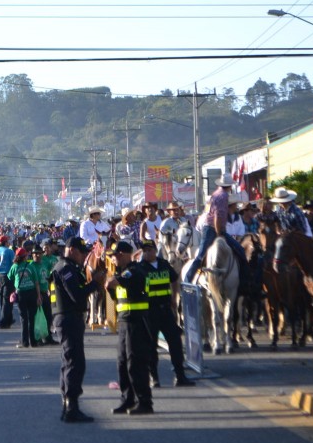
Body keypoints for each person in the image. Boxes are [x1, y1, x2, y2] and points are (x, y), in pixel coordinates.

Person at [50, 237, 100, 423]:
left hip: (67, 318)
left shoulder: (67, 267)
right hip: (68, 318)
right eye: (81, 252)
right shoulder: (65, 268)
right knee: (74, 362)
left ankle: (68, 405)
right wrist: (94, 283)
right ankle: (72, 407)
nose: (84, 256)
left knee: (68, 361)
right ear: (71, 250)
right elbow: (76, 296)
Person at [105, 240, 154, 415]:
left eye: (117, 256)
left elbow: (114, 282)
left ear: (126, 255)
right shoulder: (123, 272)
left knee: (136, 362)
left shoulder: (134, 271)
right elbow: (112, 289)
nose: (114, 259)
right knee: (122, 362)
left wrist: (112, 280)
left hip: (137, 322)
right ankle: (127, 399)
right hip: (125, 323)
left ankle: (144, 401)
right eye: (113, 256)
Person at [138, 240, 194, 387]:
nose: (147, 253)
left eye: (149, 250)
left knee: (175, 343)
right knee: (151, 346)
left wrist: (175, 298)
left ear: (155, 251)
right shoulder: (140, 267)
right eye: (144, 250)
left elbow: (174, 279)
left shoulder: (163, 264)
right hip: (149, 311)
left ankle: (180, 376)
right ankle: (154, 378)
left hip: (165, 309)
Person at [186, 173, 249, 284]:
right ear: (229, 186)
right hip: (214, 229)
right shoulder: (224, 196)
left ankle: (188, 280)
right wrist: (220, 233)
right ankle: (245, 281)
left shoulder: (216, 194)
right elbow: (218, 216)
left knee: (201, 256)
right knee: (240, 250)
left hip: (210, 228)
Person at [7, 248, 41, 348]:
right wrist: (39, 296)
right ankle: (33, 341)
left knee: (23, 318)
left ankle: (25, 341)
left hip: (21, 293)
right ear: (25, 256)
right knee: (31, 318)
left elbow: (10, 277)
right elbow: (36, 282)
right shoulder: (30, 267)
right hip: (31, 293)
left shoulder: (14, 267)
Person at [0, 236, 16, 329]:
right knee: (7, 301)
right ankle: (2, 322)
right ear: (5, 242)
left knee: (2, 300)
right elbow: (14, 265)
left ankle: (8, 319)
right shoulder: (9, 251)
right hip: (7, 277)